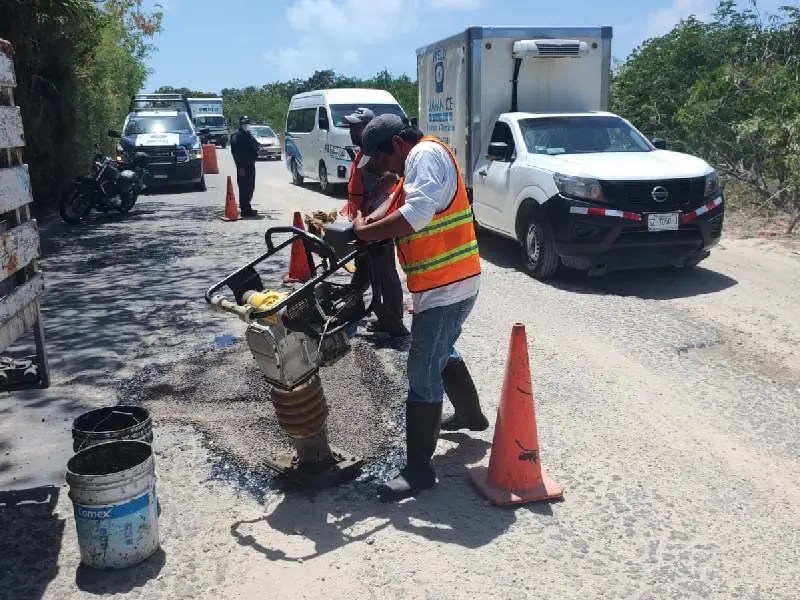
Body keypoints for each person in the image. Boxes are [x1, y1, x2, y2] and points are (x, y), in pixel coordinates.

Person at [352, 114, 489, 502]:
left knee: (423, 369)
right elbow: (397, 208)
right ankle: (471, 416)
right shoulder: (413, 165)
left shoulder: (423, 156)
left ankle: (418, 472)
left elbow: (414, 217)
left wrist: (364, 232)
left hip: (447, 286)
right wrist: (365, 221)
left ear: (397, 144)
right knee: (442, 350)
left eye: (380, 159)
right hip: (450, 282)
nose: (381, 167)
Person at [341, 108, 408, 337]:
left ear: (369, 126)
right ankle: (355, 306)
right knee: (364, 268)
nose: (352, 130)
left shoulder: (376, 152)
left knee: (383, 269)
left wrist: (369, 203)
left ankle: (393, 320)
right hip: (363, 217)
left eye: (356, 126)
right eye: (350, 126)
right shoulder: (363, 152)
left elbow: (391, 178)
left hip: (376, 219)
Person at [229, 115, 259, 217]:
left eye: (247, 123)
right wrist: (240, 166)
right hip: (243, 166)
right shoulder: (236, 136)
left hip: (251, 164)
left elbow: (255, 144)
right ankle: (245, 209)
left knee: (250, 187)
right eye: (244, 124)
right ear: (240, 124)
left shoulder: (248, 134)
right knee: (244, 188)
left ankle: (247, 206)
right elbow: (235, 153)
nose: (246, 125)